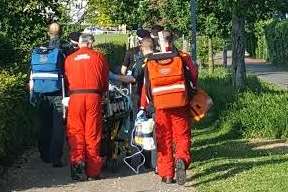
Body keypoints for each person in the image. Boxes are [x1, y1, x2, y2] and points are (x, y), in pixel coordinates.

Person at [139, 31, 198, 185]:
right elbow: (193, 76)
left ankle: (166, 174)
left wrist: (145, 106)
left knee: (163, 138)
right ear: (172, 41)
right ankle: (182, 160)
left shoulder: (151, 60)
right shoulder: (183, 57)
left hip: (160, 105)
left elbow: (146, 86)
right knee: (182, 135)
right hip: (180, 103)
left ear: (158, 43)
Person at [64, 34, 109, 181]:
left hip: (75, 97)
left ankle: (77, 163)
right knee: (93, 133)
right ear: (90, 43)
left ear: (80, 43)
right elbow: (104, 80)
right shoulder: (99, 57)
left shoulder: (69, 59)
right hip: (93, 97)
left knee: (76, 131)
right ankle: (93, 171)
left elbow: (67, 79)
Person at [37, 22, 65, 168]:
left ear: (48, 33)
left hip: (42, 91)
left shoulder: (41, 51)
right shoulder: (64, 50)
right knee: (58, 125)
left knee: (44, 123)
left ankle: (44, 154)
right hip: (58, 91)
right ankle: (56, 158)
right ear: (61, 33)